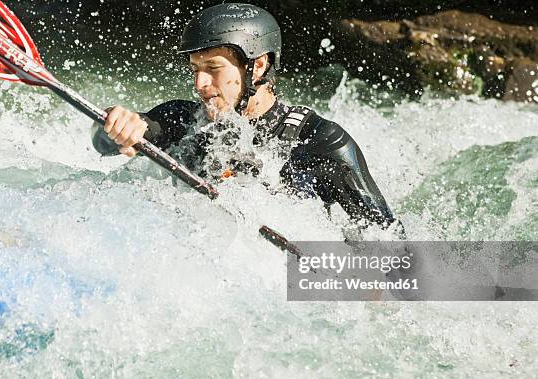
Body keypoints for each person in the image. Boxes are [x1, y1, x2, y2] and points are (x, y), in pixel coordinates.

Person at [92, 3, 401, 232]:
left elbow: (392, 245)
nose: (199, 84)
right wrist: (116, 124)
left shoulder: (322, 143)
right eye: (194, 70)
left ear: (257, 67)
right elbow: (103, 142)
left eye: (212, 69)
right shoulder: (182, 119)